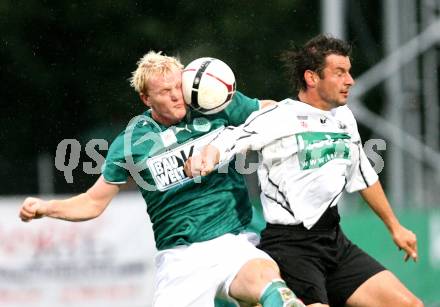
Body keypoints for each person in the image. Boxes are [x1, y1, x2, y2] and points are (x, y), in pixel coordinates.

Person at [18, 51, 306, 307]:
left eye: (178, 87)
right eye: (165, 91)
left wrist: (304, 117)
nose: (176, 96)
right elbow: (92, 203)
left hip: (234, 240)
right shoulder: (132, 142)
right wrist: (45, 208)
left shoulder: (212, 104)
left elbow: (270, 112)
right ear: (146, 98)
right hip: (181, 258)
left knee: (271, 287)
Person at [185, 35, 424, 307]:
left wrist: (395, 227)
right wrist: (208, 155)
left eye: (349, 72)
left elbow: (363, 173)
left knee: (410, 305)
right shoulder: (280, 117)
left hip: (334, 242)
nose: (350, 80)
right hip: (291, 247)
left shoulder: (344, 117)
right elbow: (233, 138)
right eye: (340, 73)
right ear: (312, 77)